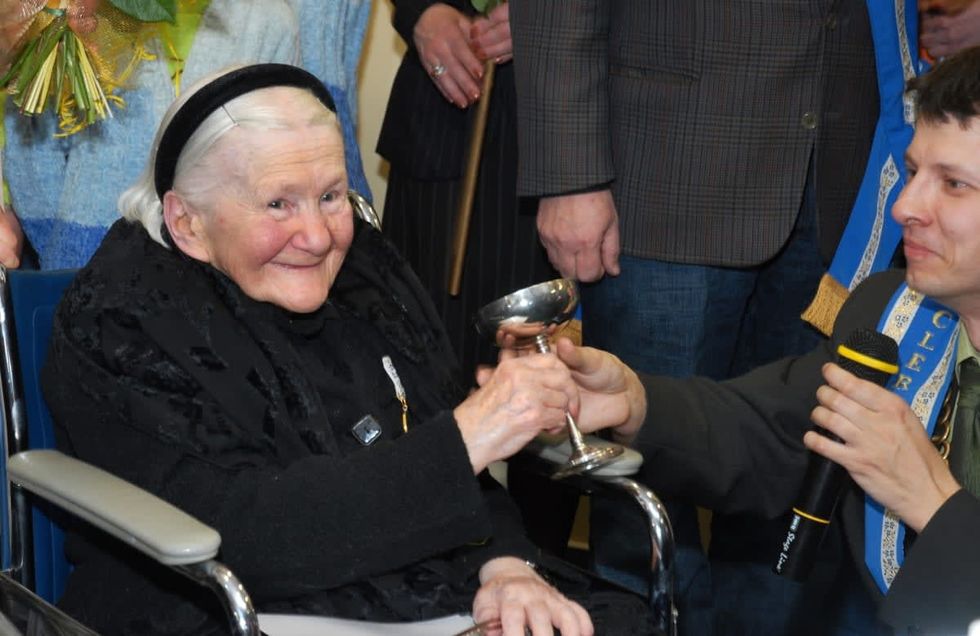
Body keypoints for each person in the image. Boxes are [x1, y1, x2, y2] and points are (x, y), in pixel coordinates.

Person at [39, 63, 657, 636]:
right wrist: (470, 437)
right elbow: (240, 536)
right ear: (187, 222)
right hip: (219, 602)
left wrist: (506, 567)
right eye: (278, 203)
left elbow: (435, 436)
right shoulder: (124, 320)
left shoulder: (363, 274)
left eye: (331, 196)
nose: (316, 236)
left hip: (407, 576)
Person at [552, 45, 980, 634]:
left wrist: (934, 507)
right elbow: (773, 431)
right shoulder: (891, 311)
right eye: (911, 173)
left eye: (954, 185)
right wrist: (634, 401)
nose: (905, 206)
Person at [509, 2, 879, 633]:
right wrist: (570, 174)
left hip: (841, 178)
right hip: (665, 171)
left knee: (796, 470)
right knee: (642, 471)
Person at [0, 0, 370, 270]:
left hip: (220, 275)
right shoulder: (75, 17)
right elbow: (31, 154)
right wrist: (61, 250)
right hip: (85, 260)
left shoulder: (266, 20)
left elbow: (275, 161)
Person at [378, 0, 556, 378]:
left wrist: (552, 17)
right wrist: (420, 12)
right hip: (442, 131)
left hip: (562, 135)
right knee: (419, 366)